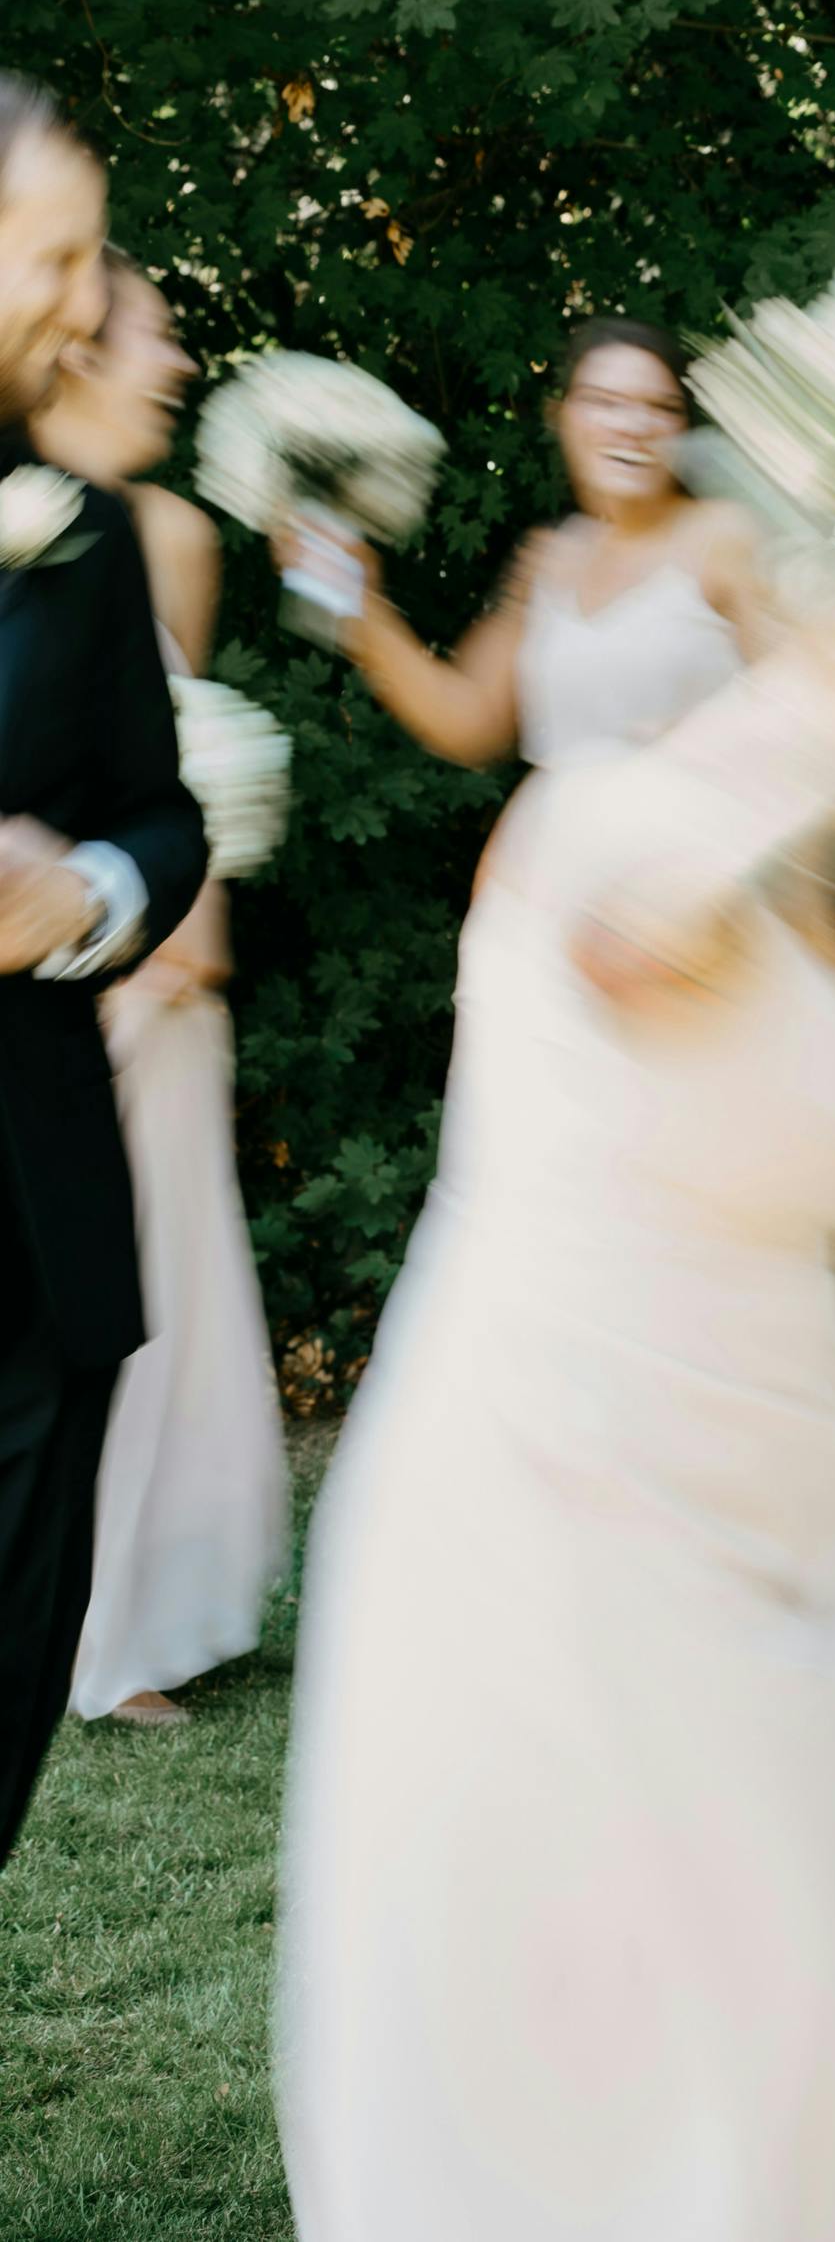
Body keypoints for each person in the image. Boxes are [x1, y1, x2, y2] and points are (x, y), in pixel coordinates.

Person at [270, 504, 835, 2233]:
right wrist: (829, 730)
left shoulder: (806, 884)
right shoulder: (632, 820)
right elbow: (628, 942)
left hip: (772, 1498)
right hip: (583, 1492)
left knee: (792, 2025)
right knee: (648, 2037)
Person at [31, 254, 289, 1728]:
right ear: (74, 347)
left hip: (165, 971)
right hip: (42, 971)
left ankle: (128, 1614)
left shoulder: (175, 537)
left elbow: (172, 762)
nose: (181, 361)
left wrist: (192, 918)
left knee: (166, 1289)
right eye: (157, 336)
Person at [0, 77, 208, 1868]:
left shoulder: (82, 531)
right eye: (54, 255)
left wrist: (83, 890)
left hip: (29, 1227)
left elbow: (165, 816)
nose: (86, 300)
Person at [314, 317, 761, 771]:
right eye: (604, 402)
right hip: (573, 817)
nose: (634, 425)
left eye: (662, 407)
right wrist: (358, 605)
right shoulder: (550, 556)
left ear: (684, 427)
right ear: (559, 416)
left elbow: (801, 698)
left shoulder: (725, 537)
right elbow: (469, 725)